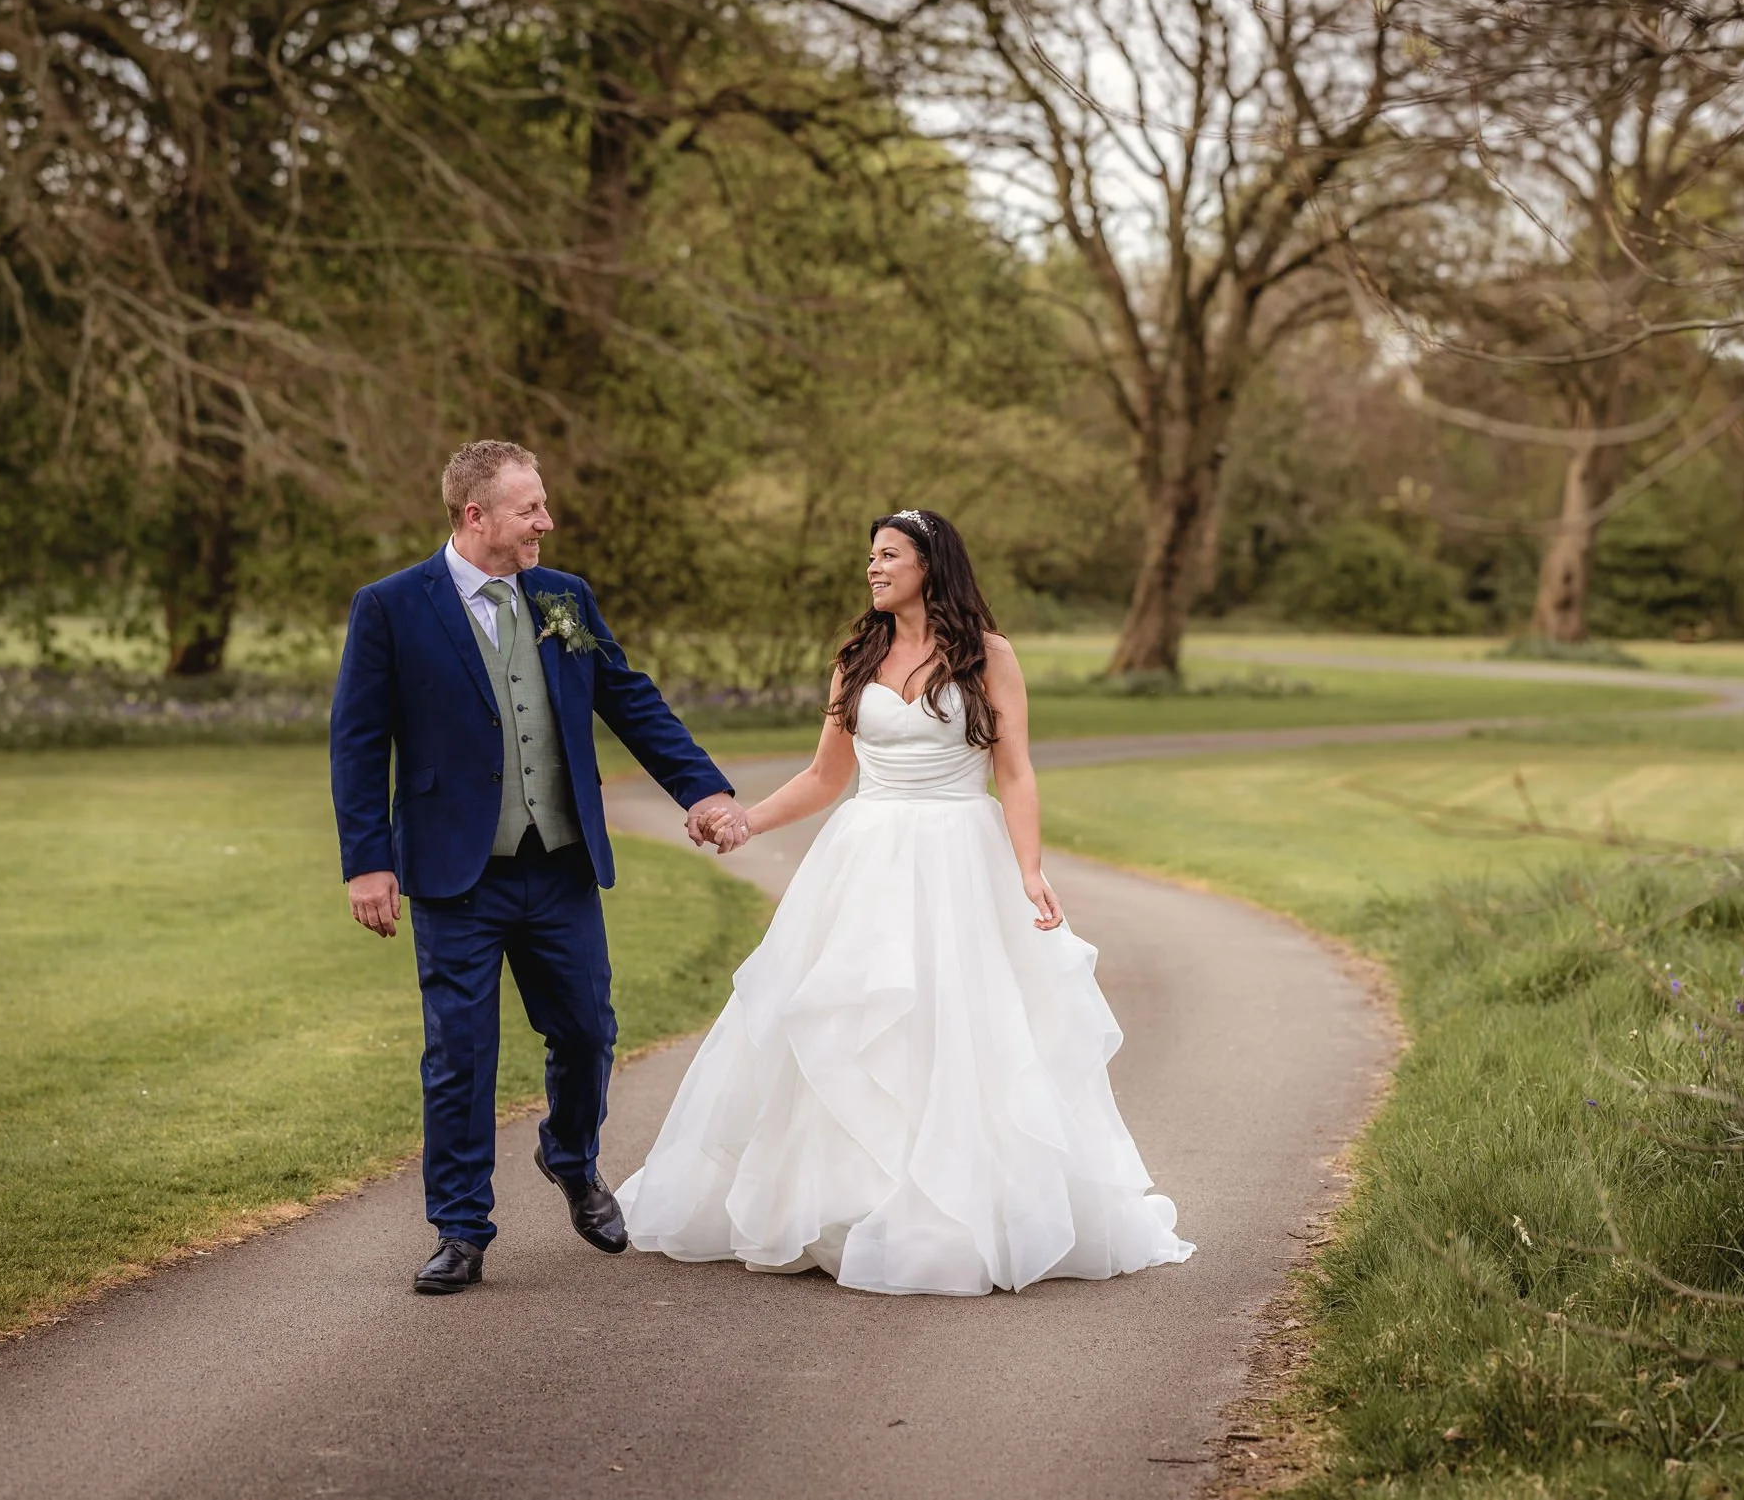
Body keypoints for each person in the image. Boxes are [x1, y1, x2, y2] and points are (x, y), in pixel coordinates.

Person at [615, 509, 1194, 1295]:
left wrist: (1029, 868)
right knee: (848, 1016)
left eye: (888, 555)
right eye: (870, 557)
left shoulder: (989, 656)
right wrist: (747, 818)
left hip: (962, 856)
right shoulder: (858, 655)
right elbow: (826, 776)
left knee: (960, 1026)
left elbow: (1014, 770)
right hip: (865, 860)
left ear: (930, 564)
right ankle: (845, 1205)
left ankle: (954, 1212)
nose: (873, 568)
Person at [329, 440, 747, 1296]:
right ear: (475, 515)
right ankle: (460, 1228)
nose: (546, 522)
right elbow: (359, 743)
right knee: (460, 1053)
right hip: (455, 873)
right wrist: (368, 863)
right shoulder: (392, 607)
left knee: (589, 1030)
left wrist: (700, 789)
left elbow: (629, 697)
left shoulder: (563, 598)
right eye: (530, 509)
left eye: (543, 505)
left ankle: (569, 1156)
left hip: (557, 864)